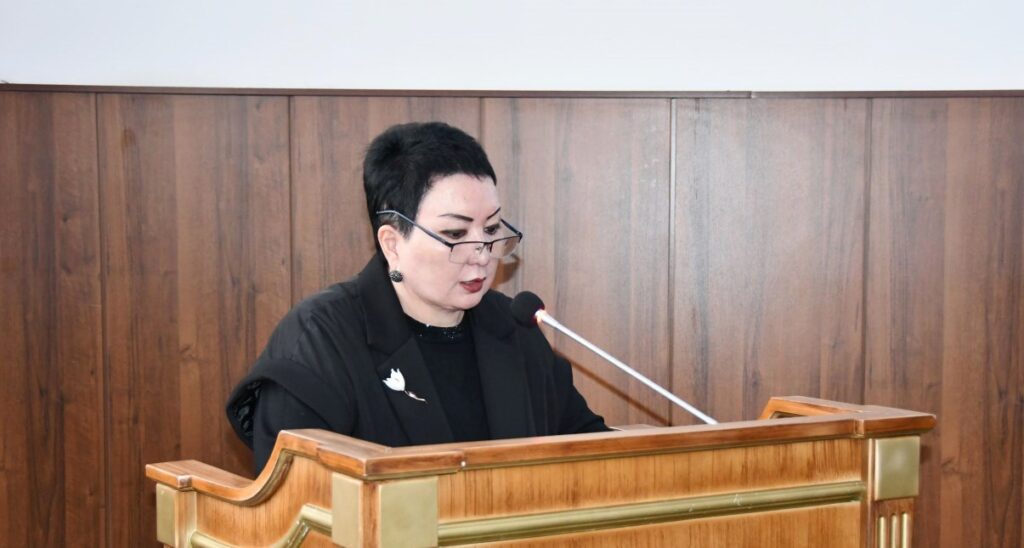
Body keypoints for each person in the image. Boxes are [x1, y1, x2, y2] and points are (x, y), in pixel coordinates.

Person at [226, 122, 608, 474]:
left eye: (491, 229)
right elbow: (299, 499)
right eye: (456, 235)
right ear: (392, 243)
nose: (482, 254)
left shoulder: (514, 327)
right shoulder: (320, 340)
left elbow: (592, 454)